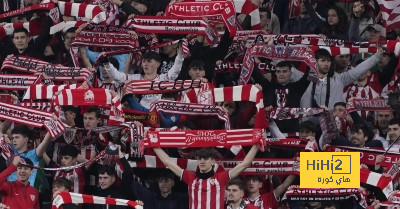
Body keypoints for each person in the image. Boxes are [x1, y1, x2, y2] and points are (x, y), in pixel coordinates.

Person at [153, 145, 259, 209]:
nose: (202, 161)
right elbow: (168, 162)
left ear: (213, 161)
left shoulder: (220, 178)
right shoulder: (190, 177)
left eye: (205, 158)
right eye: (200, 159)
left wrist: (256, 145)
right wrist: (153, 145)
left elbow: (245, 164)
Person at [300, 47, 383, 110]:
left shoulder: (340, 79)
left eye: (328, 61)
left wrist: (378, 55)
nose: (326, 64)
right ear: (315, 62)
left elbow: (359, 69)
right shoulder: (304, 79)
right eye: (323, 61)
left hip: (333, 124)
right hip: (308, 125)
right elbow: (290, 67)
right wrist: (304, 53)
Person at [104, 48, 184, 109]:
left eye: (149, 61)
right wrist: (107, 63)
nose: (145, 64)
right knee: (127, 96)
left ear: (157, 64)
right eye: (144, 61)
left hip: (157, 112)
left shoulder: (163, 78)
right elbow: (117, 76)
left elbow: (175, 70)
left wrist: (180, 54)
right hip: (139, 113)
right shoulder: (136, 78)